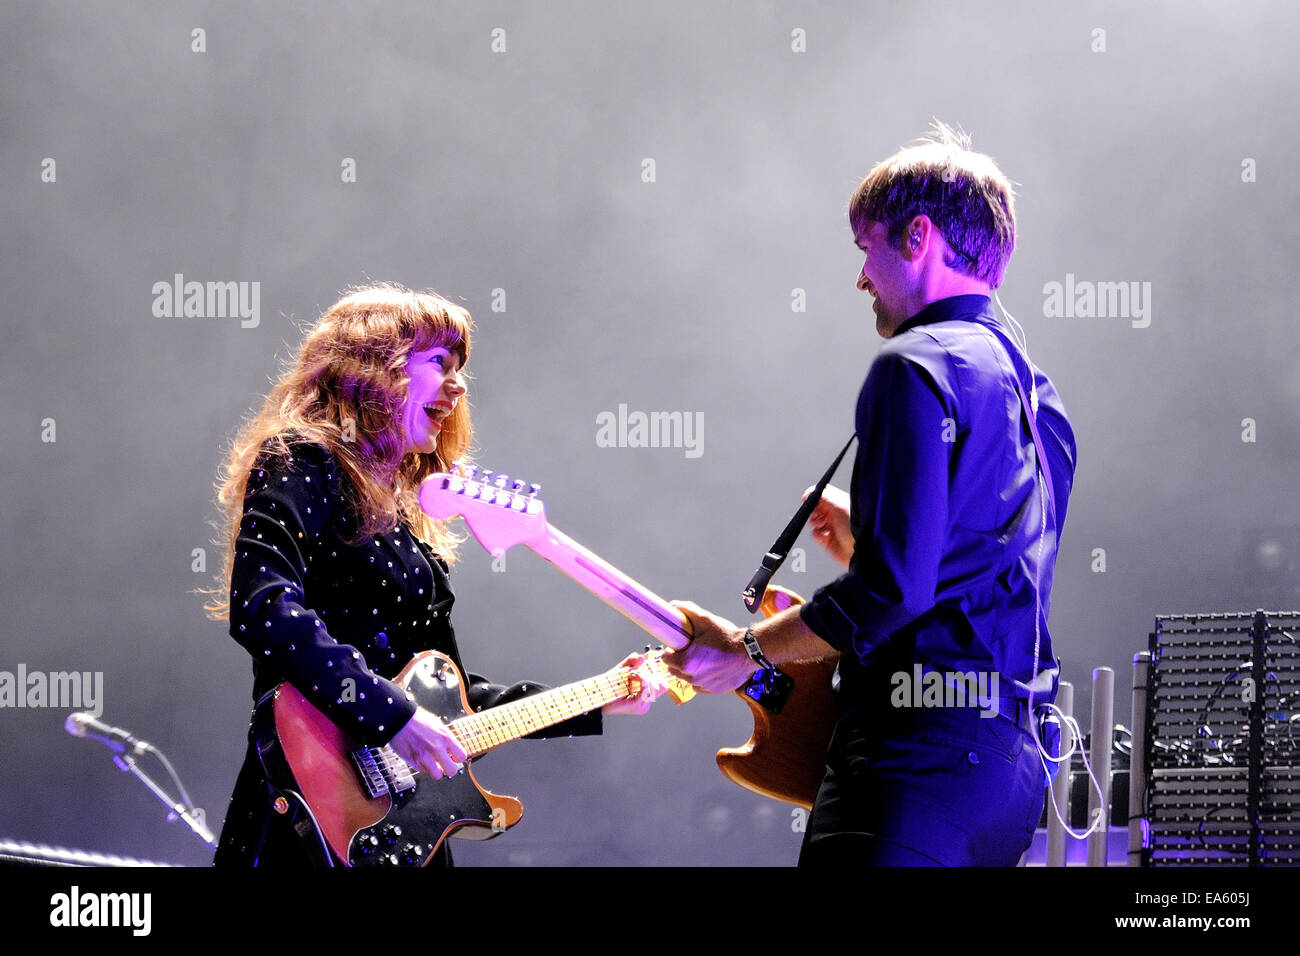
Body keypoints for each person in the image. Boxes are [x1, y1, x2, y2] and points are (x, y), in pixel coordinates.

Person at [666, 124, 1077, 866]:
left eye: (867, 248)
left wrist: (744, 649)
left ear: (918, 235)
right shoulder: (1041, 400)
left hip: (910, 763)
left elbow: (893, 594)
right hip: (1010, 778)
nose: (861, 278)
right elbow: (981, 577)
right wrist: (875, 537)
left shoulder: (914, 366)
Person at [206, 283, 663, 866]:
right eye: (439, 364)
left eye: (461, 368)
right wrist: (392, 717)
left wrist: (601, 698)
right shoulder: (304, 459)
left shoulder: (404, 518)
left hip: (408, 832)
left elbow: (453, 701)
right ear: (372, 370)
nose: (459, 385)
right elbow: (263, 606)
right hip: (312, 813)